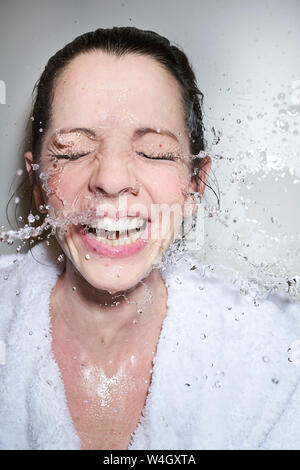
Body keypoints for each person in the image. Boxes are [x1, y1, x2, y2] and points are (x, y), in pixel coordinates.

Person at [0, 26, 299, 451]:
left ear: (195, 184)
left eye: (154, 152)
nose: (111, 179)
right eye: (72, 151)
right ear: (39, 183)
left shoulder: (281, 358)